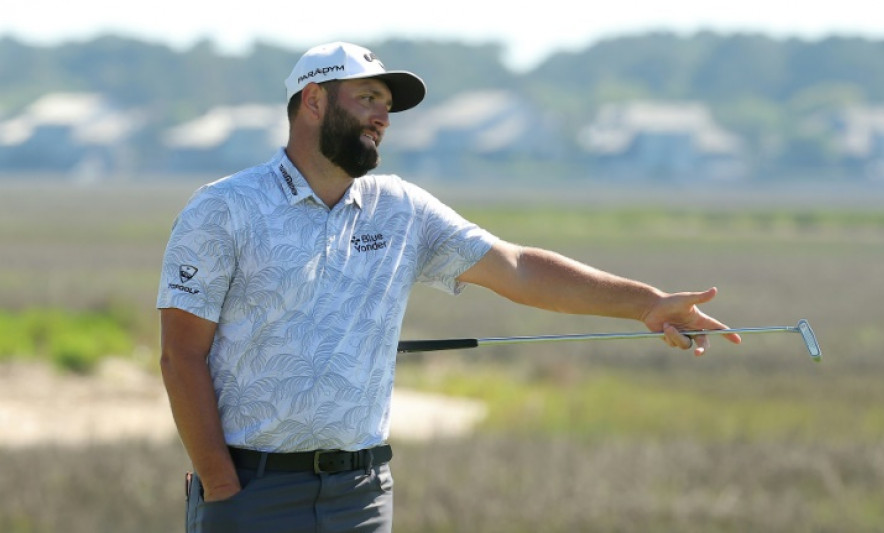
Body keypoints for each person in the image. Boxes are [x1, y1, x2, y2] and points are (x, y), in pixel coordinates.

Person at [157, 41, 741, 533]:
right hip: (252, 494)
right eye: (367, 98)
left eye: (386, 105)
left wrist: (646, 304)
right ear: (313, 101)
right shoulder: (223, 209)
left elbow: (516, 268)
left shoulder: (402, 208)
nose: (382, 116)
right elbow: (181, 354)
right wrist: (222, 484)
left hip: (359, 498)